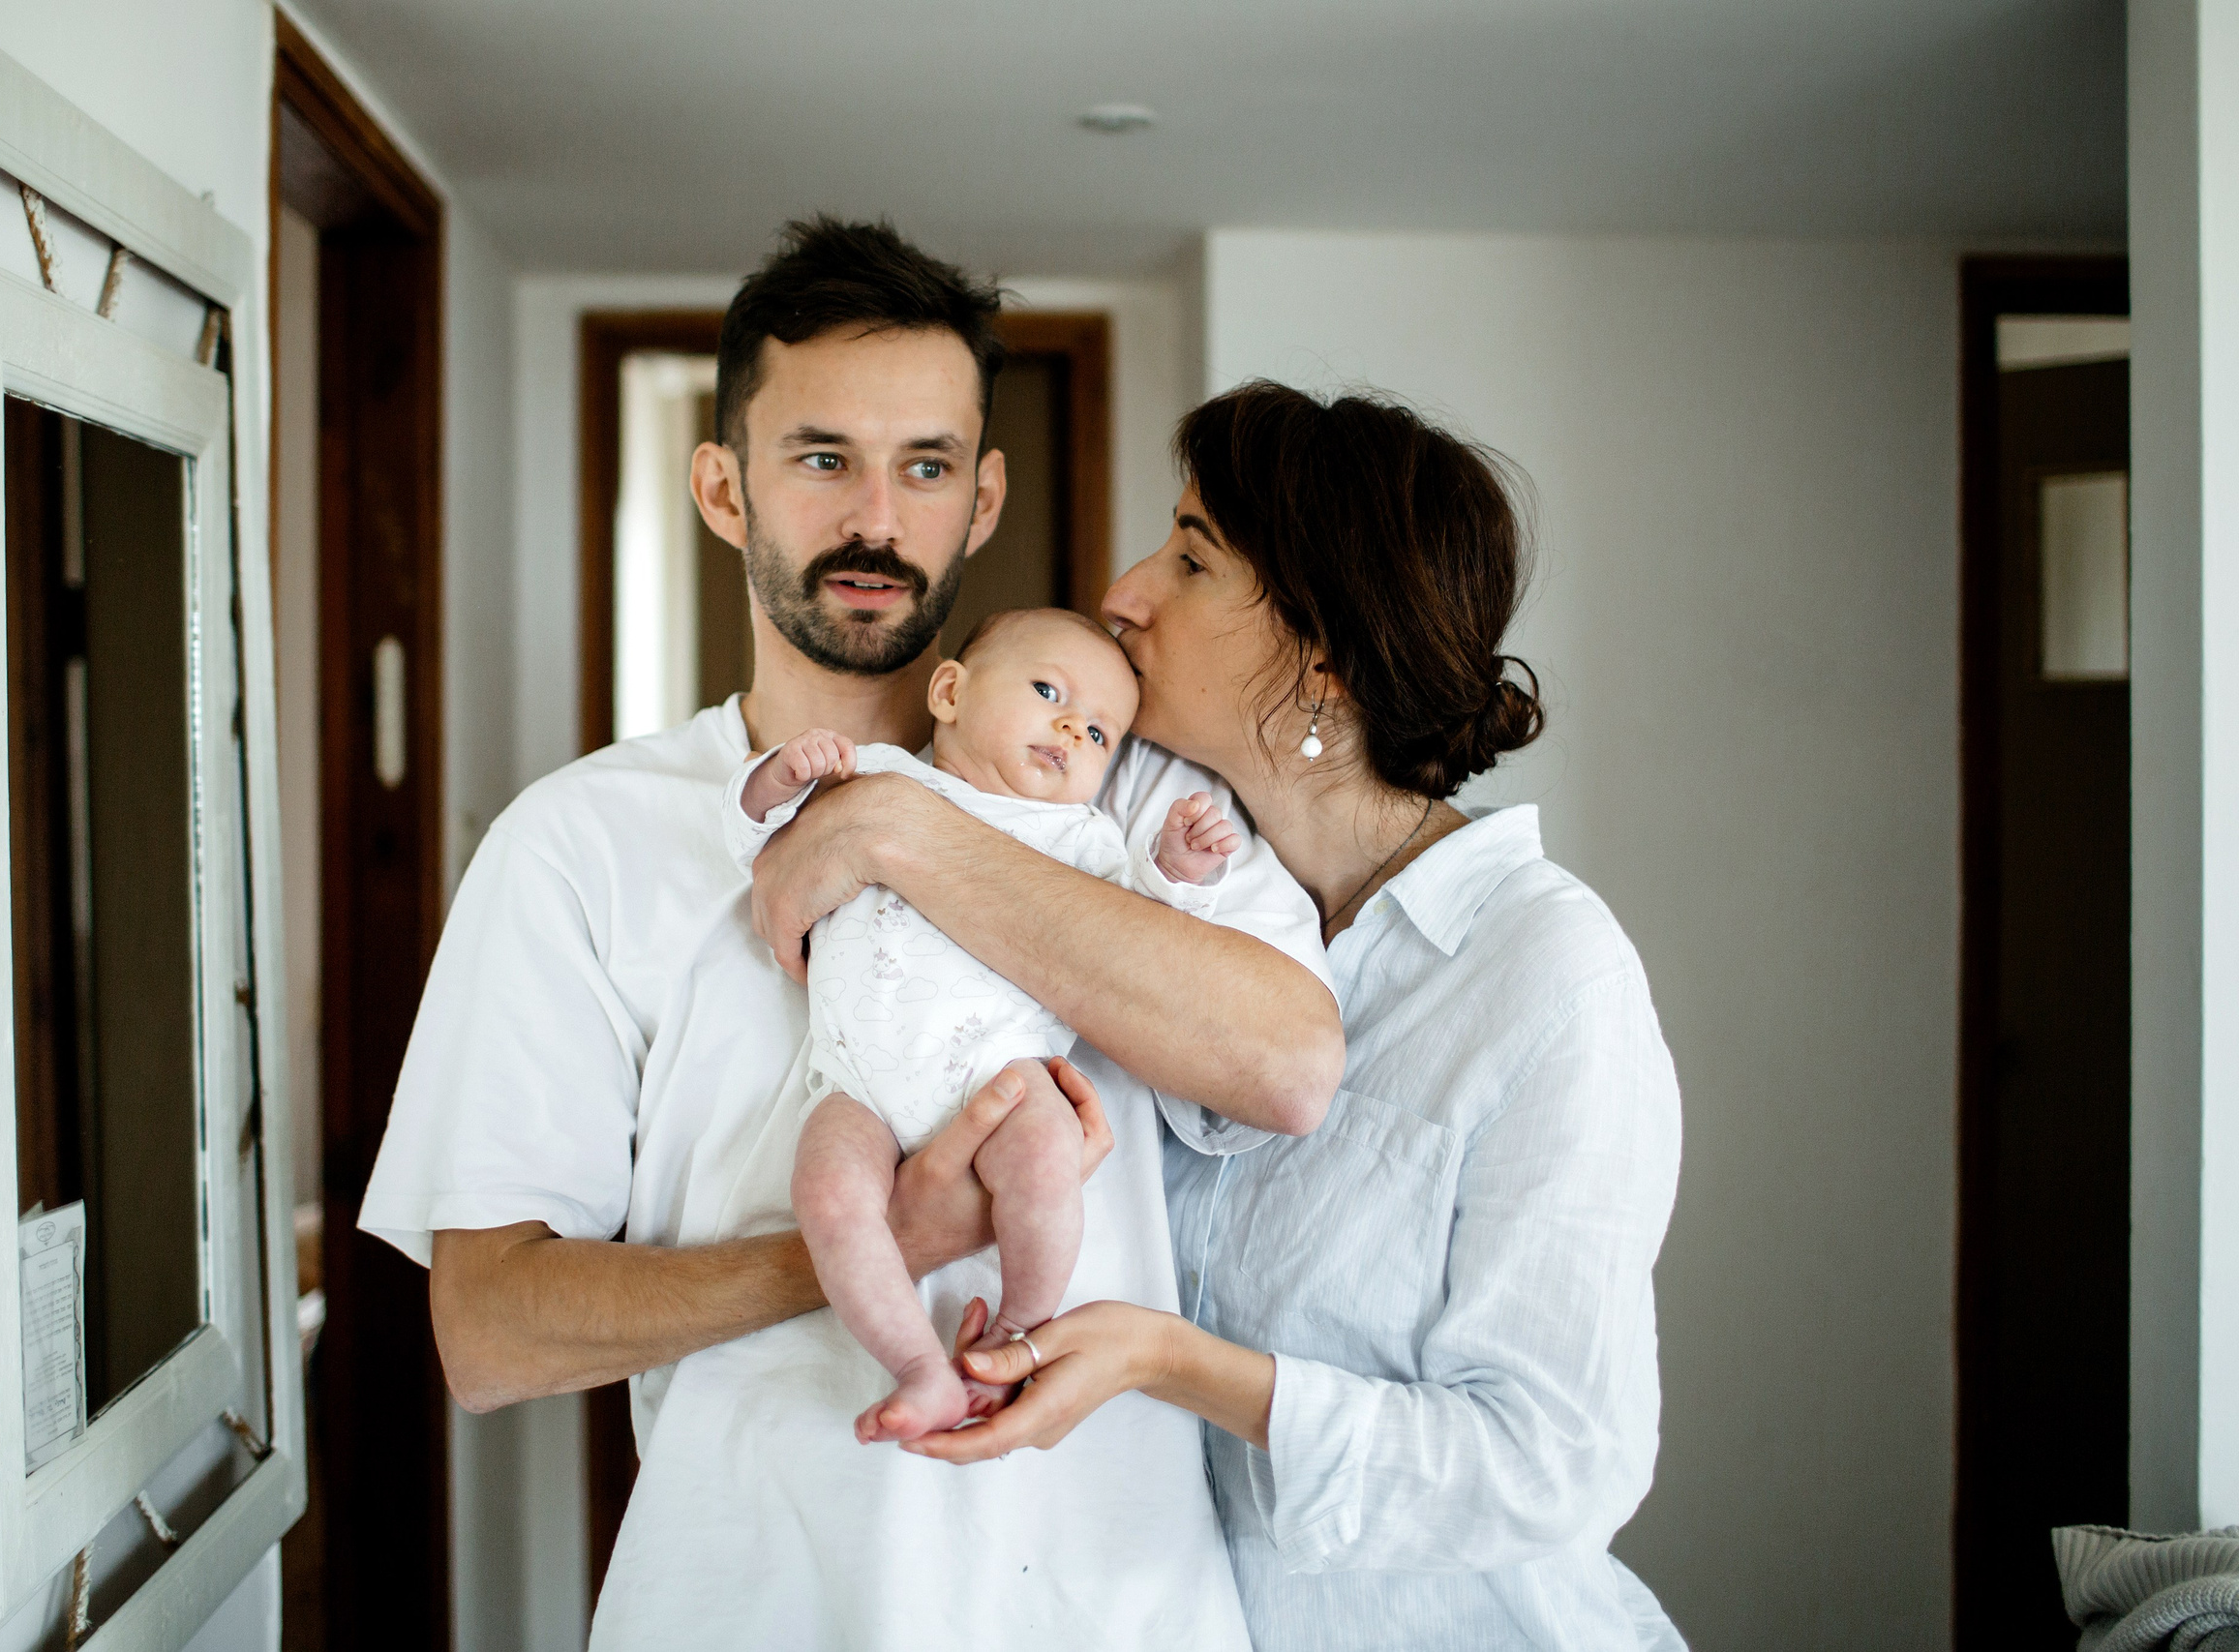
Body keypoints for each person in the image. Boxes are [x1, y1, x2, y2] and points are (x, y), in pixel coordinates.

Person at [357, 220, 1343, 1649]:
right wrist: (866, 1244)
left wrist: (901, 832)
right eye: (821, 457)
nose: (877, 517)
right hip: (747, 1605)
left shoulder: (1130, 792)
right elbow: (490, 1331)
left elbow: (1291, 1061)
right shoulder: (578, 843)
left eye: (926, 466)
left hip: (1113, 1608)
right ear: (721, 485)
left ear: (984, 499)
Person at [763, 382, 1688, 1649]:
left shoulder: (1543, 972)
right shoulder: (1136, 838)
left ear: (1322, 653)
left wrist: (1170, 1359)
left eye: (1192, 556)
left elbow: (1556, 1464)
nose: (1128, 590)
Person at [731, 607, 1241, 1443]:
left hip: (1001, 1076)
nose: (1073, 728)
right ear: (950, 691)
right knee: (827, 1196)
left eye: (1102, 734)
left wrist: (1177, 870)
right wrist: (777, 780)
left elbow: (1142, 939)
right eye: (1049, 692)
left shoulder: (1084, 839)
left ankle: (1015, 1337)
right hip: (858, 1081)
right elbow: (755, 841)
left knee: (1047, 1158)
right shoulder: (880, 781)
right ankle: (917, 1366)